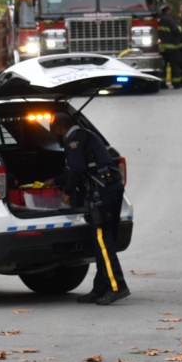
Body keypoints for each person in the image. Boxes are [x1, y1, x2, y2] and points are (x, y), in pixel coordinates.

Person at [44, 112, 129, 305]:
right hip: (112, 190)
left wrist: (66, 191)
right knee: (103, 243)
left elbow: (78, 168)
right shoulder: (86, 134)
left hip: (102, 195)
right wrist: (55, 181)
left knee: (103, 242)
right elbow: (79, 167)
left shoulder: (73, 139)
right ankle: (100, 288)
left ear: (58, 128)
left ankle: (117, 286)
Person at [157, 4, 182, 89]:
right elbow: (176, 31)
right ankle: (176, 83)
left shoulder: (159, 21)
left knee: (163, 67)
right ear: (168, 11)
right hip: (172, 48)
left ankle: (162, 84)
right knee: (175, 66)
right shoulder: (170, 20)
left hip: (162, 48)